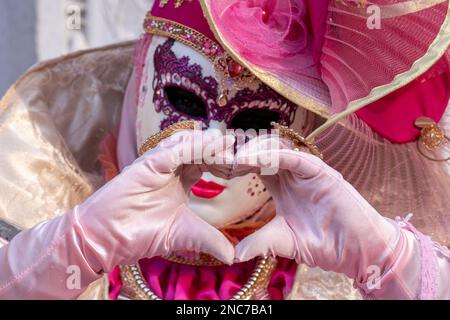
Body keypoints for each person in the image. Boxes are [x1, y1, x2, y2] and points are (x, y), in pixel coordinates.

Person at [0, 0, 449, 300]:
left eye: (255, 121)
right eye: (184, 101)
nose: (212, 149)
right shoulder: (36, 197)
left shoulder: (334, 255)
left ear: (304, 129)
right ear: (138, 85)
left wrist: (386, 260)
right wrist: (67, 250)